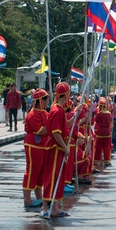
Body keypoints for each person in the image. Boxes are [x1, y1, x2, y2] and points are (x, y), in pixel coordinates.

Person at [40, 82, 73, 219]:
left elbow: (64, 125)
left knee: (58, 179)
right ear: (65, 94)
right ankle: (45, 207)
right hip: (55, 148)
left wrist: (76, 115)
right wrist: (65, 148)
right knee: (51, 178)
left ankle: (54, 207)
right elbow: (56, 132)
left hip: (57, 149)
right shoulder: (57, 110)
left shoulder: (57, 109)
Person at [22, 89, 49, 208]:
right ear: (40, 101)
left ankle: (39, 197)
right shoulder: (32, 114)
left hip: (43, 145)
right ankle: (27, 200)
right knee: (32, 170)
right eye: (46, 99)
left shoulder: (44, 113)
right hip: (33, 145)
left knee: (41, 173)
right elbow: (41, 130)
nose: (48, 101)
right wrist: (53, 125)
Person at [94, 97, 113, 171]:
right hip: (107, 131)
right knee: (106, 147)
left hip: (100, 131)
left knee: (98, 146)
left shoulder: (99, 114)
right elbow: (111, 123)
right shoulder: (109, 114)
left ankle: (97, 160)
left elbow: (96, 121)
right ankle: (107, 160)